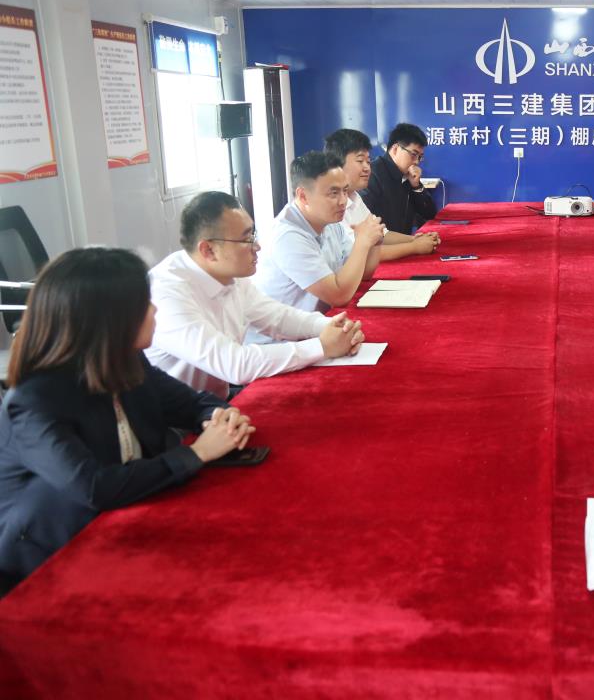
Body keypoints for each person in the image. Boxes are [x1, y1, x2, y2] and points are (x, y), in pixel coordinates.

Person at [0, 248, 254, 592]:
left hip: (129, 520)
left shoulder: (126, 361)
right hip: (47, 562)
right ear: (109, 320)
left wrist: (219, 418)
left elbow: (193, 404)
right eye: (143, 303)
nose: (154, 310)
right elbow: (94, 487)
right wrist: (198, 453)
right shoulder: (34, 402)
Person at [146, 191, 366, 399]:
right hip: (178, 419)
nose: (257, 246)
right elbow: (235, 364)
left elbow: (277, 317)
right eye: (246, 239)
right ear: (208, 250)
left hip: (216, 404)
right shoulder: (168, 295)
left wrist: (331, 327)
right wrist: (322, 347)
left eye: (253, 234)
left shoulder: (229, 274)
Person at [255, 151, 385, 317]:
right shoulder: (287, 237)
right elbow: (338, 296)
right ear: (303, 196)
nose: (343, 201)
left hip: (317, 322)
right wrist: (362, 242)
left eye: (345, 191)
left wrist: (375, 242)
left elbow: (363, 274)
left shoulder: (329, 222)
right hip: (284, 332)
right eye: (334, 193)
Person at [324, 128, 442, 261]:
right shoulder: (331, 204)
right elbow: (360, 252)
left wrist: (415, 239)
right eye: (360, 161)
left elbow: (382, 234)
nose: (367, 168)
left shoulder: (354, 197)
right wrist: (414, 246)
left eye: (368, 161)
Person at [361, 123, 438, 235]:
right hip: (383, 243)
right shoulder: (372, 175)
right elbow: (364, 225)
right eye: (413, 154)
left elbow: (430, 214)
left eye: (420, 157)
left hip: (403, 241)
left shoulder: (407, 176)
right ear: (395, 149)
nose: (416, 161)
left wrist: (416, 186)